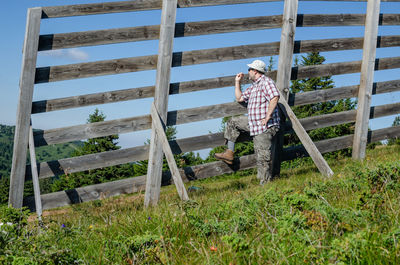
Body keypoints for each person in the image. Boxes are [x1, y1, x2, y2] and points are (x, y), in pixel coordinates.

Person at [214, 59, 280, 185]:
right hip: (253, 123)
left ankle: (265, 186)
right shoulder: (254, 86)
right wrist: (237, 82)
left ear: (255, 71)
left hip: (265, 126)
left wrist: (267, 117)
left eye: (249, 69)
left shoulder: (266, 82)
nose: (248, 71)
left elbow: (275, 97)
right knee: (233, 122)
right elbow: (239, 98)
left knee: (262, 158)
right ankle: (229, 153)